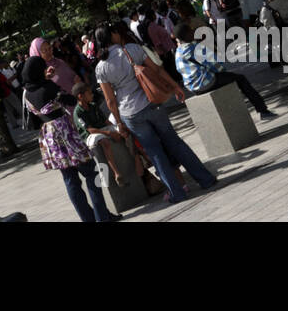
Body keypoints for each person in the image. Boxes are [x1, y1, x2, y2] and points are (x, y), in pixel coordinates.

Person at [94, 21, 216, 205]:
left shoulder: (101, 68)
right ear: (113, 35)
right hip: (152, 103)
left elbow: (110, 100)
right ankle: (205, 179)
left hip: (131, 114)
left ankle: (177, 192)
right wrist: (175, 86)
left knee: (154, 152)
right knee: (174, 142)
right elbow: (156, 70)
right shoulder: (133, 49)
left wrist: (119, 122)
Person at [20, 56, 117, 222]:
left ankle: (89, 218)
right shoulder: (48, 87)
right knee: (92, 172)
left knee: (70, 180)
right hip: (65, 132)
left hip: (49, 137)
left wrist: (47, 80)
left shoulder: (26, 93)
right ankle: (102, 216)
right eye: (43, 68)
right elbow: (71, 99)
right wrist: (51, 82)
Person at [173, 21, 276, 118]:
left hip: (193, 88)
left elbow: (179, 70)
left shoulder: (178, 52)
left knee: (227, 78)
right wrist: (223, 71)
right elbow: (216, 65)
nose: (193, 32)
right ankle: (263, 111)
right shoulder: (195, 47)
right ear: (186, 34)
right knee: (240, 78)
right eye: (191, 31)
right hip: (207, 83)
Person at [71, 80, 133, 186]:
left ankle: (139, 159)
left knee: (125, 130)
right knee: (104, 141)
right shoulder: (78, 112)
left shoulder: (93, 105)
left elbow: (106, 121)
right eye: (89, 93)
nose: (92, 95)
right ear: (80, 96)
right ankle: (116, 173)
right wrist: (109, 133)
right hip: (91, 135)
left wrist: (117, 129)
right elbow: (90, 130)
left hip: (103, 128)